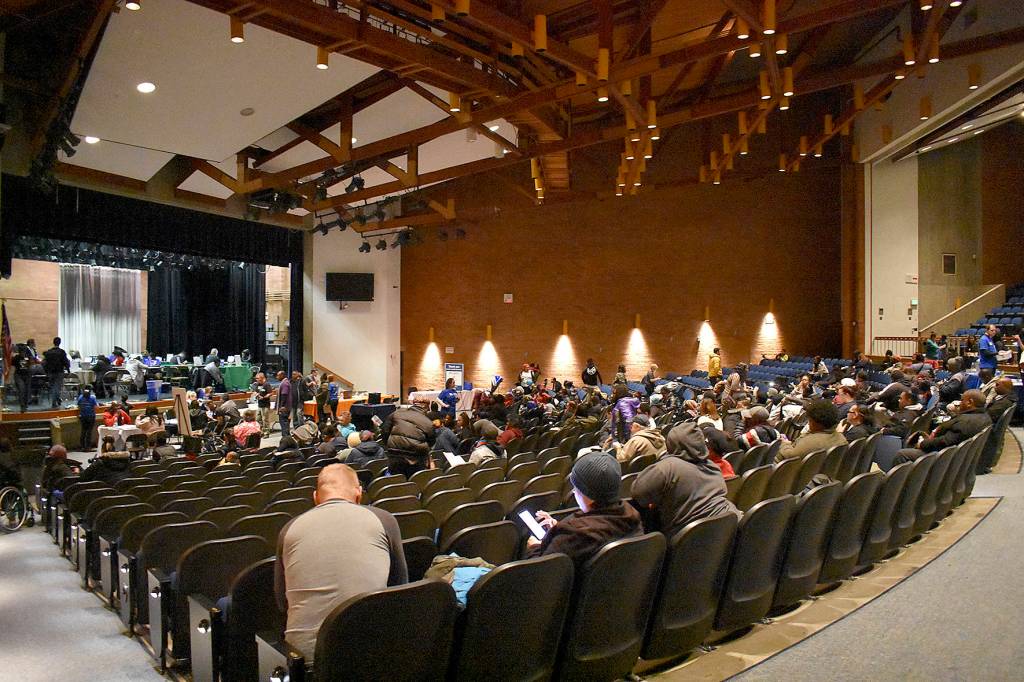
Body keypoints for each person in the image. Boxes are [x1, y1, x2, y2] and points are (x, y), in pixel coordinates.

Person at [275, 464, 407, 663]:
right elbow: (399, 587)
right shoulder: (384, 520)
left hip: (305, 660)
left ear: (316, 498)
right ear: (359, 494)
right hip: (373, 653)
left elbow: (282, 601)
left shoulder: (288, 529)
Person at [525, 451, 642, 570]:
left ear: (588, 495)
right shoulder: (631, 514)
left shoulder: (575, 536)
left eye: (576, 488)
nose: (574, 492)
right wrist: (558, 529)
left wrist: (534, 547)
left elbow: (540, 572)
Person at [632, 423, 740, 538]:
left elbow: (637, 494)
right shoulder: (713, 466)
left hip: (686, 539)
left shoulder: (667, 467)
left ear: (671, 444)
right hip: (724, 532)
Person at [896, 390, 992, 463]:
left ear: (969, 402)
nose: (960, 403)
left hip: (944, 458)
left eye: (962, 400)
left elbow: (946, 441)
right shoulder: (985, 417)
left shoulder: (965, 422)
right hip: (959, 455)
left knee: (902, 454)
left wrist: (923, 443)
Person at [775, 400, 847, 462]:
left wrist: (785, 444)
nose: (809, 423)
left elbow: (790, 456)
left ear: (817, 423)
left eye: (810, 420)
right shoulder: (842, 439)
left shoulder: (811, 442)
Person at [381, 397, 436, 476]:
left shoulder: (396, 413)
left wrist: (390, 444)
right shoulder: (428, 422)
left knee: (394, 478)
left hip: (395, 453)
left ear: (413, 404)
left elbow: (384, 431)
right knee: (415, 478)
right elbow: (431, 442)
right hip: (416, 456)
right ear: (427, 407)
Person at [41, 336, 70, 408]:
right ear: (60, 343)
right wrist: (68, 370)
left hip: (50, 372)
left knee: (53, 387)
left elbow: (44, 363)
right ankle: (54, 402)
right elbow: (66, 362)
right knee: (57, 387)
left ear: (53, 342)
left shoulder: (48, 352)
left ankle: (57, 399)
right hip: (59, 371)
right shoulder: (62, 352)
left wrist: (46, 371)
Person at [12, 341, 36, 413]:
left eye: (24, 352)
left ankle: (25, 405)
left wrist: (31, 362)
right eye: (21, 352)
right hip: (19, 375)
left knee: (27, 391)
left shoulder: (29, 357)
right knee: (21, 389)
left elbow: (32, 364)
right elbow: (12, 365)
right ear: (19, 352)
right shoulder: (16, 358)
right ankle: (22, 406)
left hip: (27, 375)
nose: (23, 353)